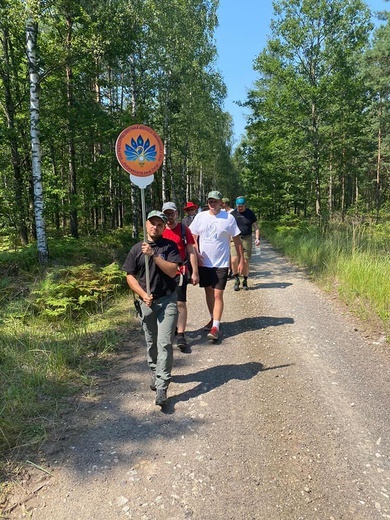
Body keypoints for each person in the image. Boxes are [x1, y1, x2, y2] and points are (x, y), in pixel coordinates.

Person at [122, 210, 181, 407]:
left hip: (168, 300)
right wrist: (142, 294)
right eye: (152, 223)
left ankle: (163, 386)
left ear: (164, 227)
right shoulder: (136, 249)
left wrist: (154, 254)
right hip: (146, 302)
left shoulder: (169, 247)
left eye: (159, 224)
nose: (155, 227)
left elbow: (173, 271)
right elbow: (129, 275)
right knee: (151, 342)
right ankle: (155, 372)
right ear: (146, 225)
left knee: (164, 343)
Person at [189, 191, 244, 341]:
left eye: (215, 201)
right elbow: (192, 237)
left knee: (217, 294)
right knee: (208, 292)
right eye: (210, 201)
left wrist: (241, 260)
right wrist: (196, 251)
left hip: (221, 263)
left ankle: (215, 327)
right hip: (204, 263)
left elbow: (237, 241)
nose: (212, 204)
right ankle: (213, 318)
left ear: (221, 202)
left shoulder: (229, 218)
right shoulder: (201, 217)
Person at [162, 202, 200, 352]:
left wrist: (195, 272)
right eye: (167, 214)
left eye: (171, 213)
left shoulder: (184, 230)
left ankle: (181, 334)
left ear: (177, 214)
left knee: (180, 303)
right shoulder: (159, 230)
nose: (169, 217)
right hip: (162, 273)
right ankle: (169, 329)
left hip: (180, 271)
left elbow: (191, 251)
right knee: (164, 303)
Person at [230, 196, 260, 291]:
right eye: (238, 206)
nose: (240, 208)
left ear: (245, 205)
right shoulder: (232, 214)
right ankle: (236, 278)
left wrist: (257, 238)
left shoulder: (250, 213)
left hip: (246, 239)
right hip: (235, 239)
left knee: (246, 261)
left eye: (241, 206)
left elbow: (256, 227)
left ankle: (245, 280)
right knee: (234, 260)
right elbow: (227, 227)